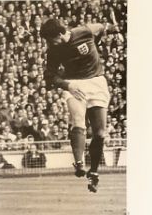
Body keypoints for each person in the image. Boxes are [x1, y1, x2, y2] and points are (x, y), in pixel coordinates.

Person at [41, 18, 110, 192]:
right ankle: (79, 163)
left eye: (50, 39)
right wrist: (68, 85)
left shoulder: (84, 32)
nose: (49, 43)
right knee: (78, 120)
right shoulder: (54, 51)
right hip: (73, 83)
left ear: (59, 34)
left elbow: (102, 27)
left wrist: (98, 41)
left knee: (100, 134)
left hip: (96, 82)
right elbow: (50, 76)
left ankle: (93, 172)